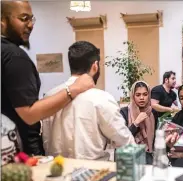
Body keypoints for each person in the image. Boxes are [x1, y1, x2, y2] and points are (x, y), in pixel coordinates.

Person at [1, 1, 94, 156]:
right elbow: (29, 114)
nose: (30, 25)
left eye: (32, 19)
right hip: (17, 154)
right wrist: (74, 89)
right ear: (2, 21)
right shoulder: (14, 57)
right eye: (24, 19)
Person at [42, 41, 135, 161]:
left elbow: (46, 139)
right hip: (94, 174)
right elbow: (124, 141)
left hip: (57, 171)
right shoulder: (102, 98)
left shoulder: (50, 96)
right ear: (95, 66)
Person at [120, 81, 158, 164]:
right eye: (138, 95)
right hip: (129, 155)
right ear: (133, 96)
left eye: (145, 94)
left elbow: (154, 137)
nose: (142, 98)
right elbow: (122, 137)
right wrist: (136, 123)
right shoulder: (124, 112)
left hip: (148, 155)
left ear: (149, 96)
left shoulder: (152, 113)